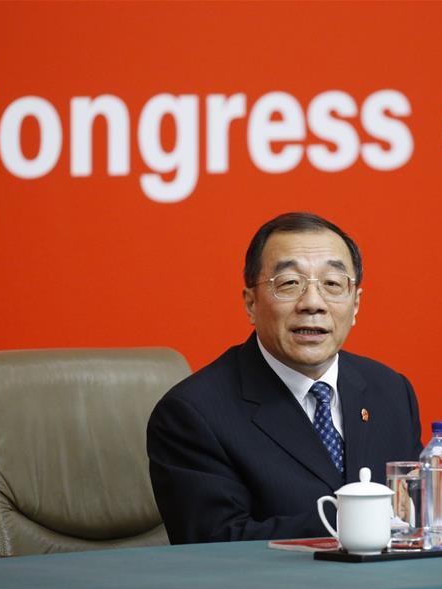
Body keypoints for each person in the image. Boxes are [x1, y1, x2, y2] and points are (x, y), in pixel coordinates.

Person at [147, 212, 423, 544]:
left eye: (332, 284)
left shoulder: (390, 391)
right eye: (289, 283)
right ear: (251, 303)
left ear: (356, 304)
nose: (313, 304)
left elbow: (415, 513)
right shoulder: (194, 413)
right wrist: (356, 520)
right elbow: (214, 543)